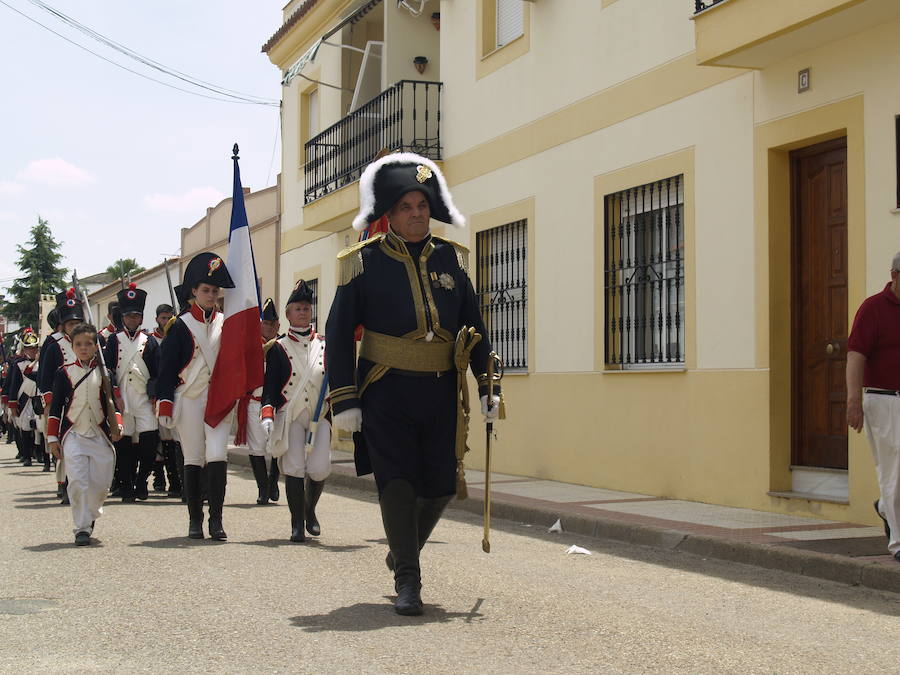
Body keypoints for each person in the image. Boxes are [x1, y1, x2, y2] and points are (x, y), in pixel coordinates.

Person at [325, 153, 502, 615]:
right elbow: (341, 331)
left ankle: (402, 549)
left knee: (442, 484)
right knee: (398, 480)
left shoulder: (452, 260)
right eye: (406, 206)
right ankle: (409, 580)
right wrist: (344, 396)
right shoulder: (362, 262)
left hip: (441, 390)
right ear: (390, 213)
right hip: (386, 388)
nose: (417, 214)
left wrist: (488, 386)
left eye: (422, 205)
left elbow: (476, 329)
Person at [156, 252, 235, 540]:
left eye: (215, 291)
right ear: (193, 292)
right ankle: (194, 520)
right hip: (189, 398)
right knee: (193, 456)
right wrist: (165, 402)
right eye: (206, 290)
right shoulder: (179, 325)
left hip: (219, 398)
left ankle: (216, 520)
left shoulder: (227, 322)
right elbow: (166, 369)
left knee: (217, 454)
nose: (211, 295)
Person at [261, 282, 330, 542]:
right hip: (290, 414)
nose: (303, 312)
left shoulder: (325, 344)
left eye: (306, 308)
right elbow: (270, 388)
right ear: (288, 315)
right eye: (297, 308)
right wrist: (267, 414)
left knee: (320, 468)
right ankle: (297, 524)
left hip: (320, 413)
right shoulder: (278, 348)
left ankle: (310, 512)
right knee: (294, 467)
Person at [47, 323, 122, 545]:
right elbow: (56, 407)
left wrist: (118, 425)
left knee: (100, 483)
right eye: (78, 344)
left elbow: (114, 405)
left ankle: (89, 516)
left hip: (99, 433)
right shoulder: (64, 373)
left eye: (88, 344)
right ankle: (81, 527)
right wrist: (53, 438)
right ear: (72, 346)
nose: (83, 348)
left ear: (96, 346)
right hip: (74, 434)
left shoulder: (106, 372)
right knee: (78, 481)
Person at [847, 252, 900, 563]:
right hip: (883, 400)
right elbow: (855, 356)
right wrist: (854, 401)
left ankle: (886, 508)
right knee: (894, 469)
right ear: (894, 276)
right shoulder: (873, 309)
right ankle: (897, 543)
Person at [103, 283, 161, 502]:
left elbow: (157, 372)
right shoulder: (113, 341)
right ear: (122, 317)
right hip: (122, 399)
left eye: (136, 316)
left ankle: (141, 482)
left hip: (144, 400)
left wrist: (154, 393)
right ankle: (126, 485)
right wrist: (113, 391)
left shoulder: (150, 341)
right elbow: (108, 370)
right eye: (128, 316)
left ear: (141, 317)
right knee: (124, 447)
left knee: (148, 446)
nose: (132, 320)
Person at [40, 289, 85, 504]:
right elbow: (45, 378)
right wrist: (49, 404)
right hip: (63, 403)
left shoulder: (90, 343)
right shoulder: (53, 345)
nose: (74, 327)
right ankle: (66, 485)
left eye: (77, 323)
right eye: (70, 324)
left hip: (86, 403)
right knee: (65, 447)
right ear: (64, 325)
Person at [246, 298, 281, 505]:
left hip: (277, 403)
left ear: (278, 325)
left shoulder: (283, 346)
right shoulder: (250, 347)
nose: (269, 327)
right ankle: (262, 487)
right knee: (256, 447)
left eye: (272, 323)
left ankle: (273, 481)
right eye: (265, 323)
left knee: (276, 444)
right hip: (254, 401)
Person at [149, 303, 182, 498]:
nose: (166, 321)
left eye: (169, 317)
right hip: (157, 395)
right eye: (163, 318)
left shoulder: (179, 337)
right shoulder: (151, 341)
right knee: (158, 439)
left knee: (173, 438)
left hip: (177, 393)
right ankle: (159, 475)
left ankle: (176, 480)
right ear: (157, 320)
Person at [6, 329, 41, 466]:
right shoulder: (18, 364)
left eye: (34, 348)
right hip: (24, 399)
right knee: (25, 428)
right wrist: (13, 404)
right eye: (29, 348)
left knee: (39, 428)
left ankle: (39, 454)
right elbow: (14, 385)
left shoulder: (41, 362)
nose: (32, 351)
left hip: (38, 398)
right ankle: (26, 455)